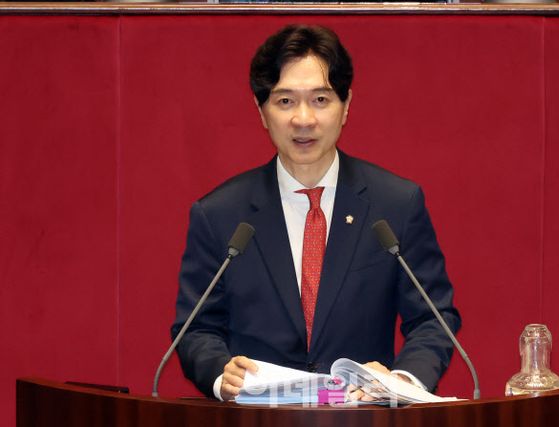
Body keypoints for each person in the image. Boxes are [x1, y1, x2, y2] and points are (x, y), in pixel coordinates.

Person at [172, 24, 461, 401]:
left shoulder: (395, 204)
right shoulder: (220, 214)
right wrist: (220, 375)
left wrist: (400, 381)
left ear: (346, 105)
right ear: (261, 111)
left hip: (365, 415)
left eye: (321, 99)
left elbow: (434, 321)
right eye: (285, 101)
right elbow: (195, 330)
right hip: (257, 416)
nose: (304, 119)